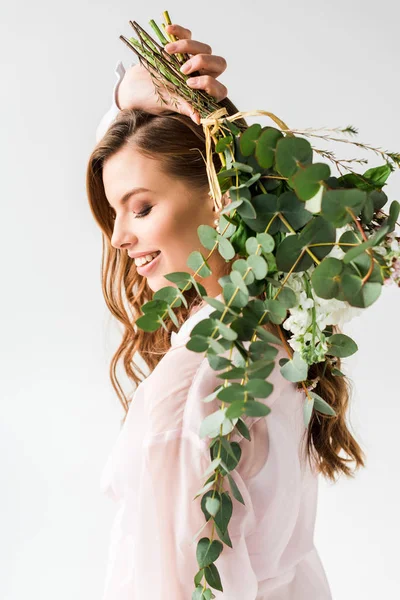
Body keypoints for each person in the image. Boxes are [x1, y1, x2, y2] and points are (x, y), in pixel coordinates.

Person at [87, 22, 364, 599]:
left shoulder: (200, 381)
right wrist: (136, 92)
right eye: (115, 213)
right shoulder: (281, 332)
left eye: (140, 209)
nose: (117, 237)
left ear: (218, 194)